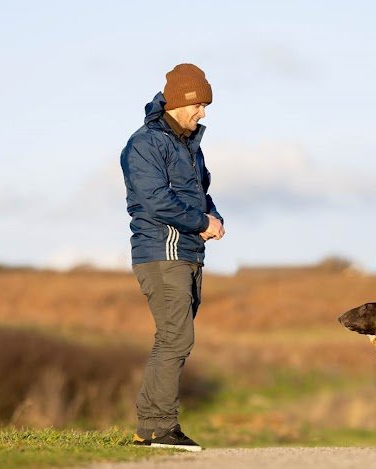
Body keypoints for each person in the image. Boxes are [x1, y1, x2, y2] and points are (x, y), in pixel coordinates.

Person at [120, 63, 225, 452]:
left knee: (172, 338)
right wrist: (200, 222)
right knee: (176, 338)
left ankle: (149, 429)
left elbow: (201, 192)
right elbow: (154, 200)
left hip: (187, 251)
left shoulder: (188, 145)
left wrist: (213, 217)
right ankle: (161, 428)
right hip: (163, 252)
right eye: (199, 104)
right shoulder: (146, 143)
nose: (203, 112)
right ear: (181, 101)